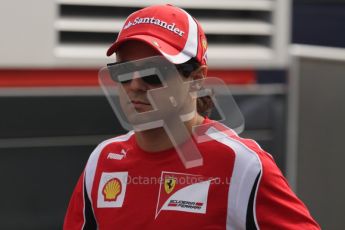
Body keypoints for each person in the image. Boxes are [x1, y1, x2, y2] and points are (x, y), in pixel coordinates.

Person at [64, 4, 320, 230]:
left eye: (154, 74)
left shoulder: (241, 164)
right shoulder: (102, 161)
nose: (134, 85)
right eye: (123, 71)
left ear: (196, 79)